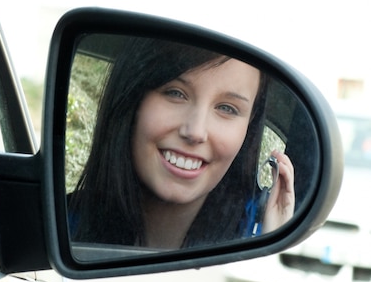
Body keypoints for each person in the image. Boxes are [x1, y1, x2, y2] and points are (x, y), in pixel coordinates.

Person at [68, 37, 294, 249]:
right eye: (175, 93)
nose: (195, 131)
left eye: (227, 108)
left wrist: (271, 243)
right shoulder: (61, 224)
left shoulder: (256, 233)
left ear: (249, 127)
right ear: (131, 98)